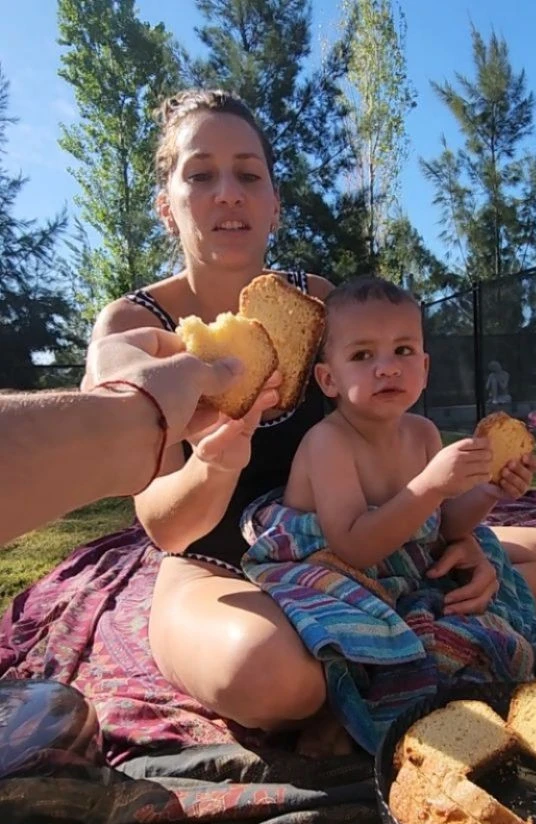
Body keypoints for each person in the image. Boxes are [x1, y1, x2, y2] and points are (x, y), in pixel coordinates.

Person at [82, 88, 505, 735]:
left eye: (249, 174)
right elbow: (165, 527)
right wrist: (217, 463)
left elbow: (385, 438)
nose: (229, 191)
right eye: (201, 174)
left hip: (347, 550)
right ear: (167, 206)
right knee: (274, 678)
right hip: (211, 563)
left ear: (274, 203)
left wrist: (457, 533)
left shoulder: (317, 303)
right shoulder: (137, 325)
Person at [284, 275, 536, 616]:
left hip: (407, 568)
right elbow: (353, 549)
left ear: (424, 370)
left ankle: (446, 620)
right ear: (329, 379)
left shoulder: (423, 433)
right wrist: (430, 486)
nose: (389, 368)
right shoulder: (329, 442)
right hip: (337, 579)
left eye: (403, 350)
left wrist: (488, 490)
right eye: (363, 354)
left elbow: (444, 528)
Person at [0, 327, 275, 546]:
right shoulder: (127, 320)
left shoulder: (317, 293)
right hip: (201, 563)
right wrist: (131, 414)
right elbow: (169, 534)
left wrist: (126, 417)